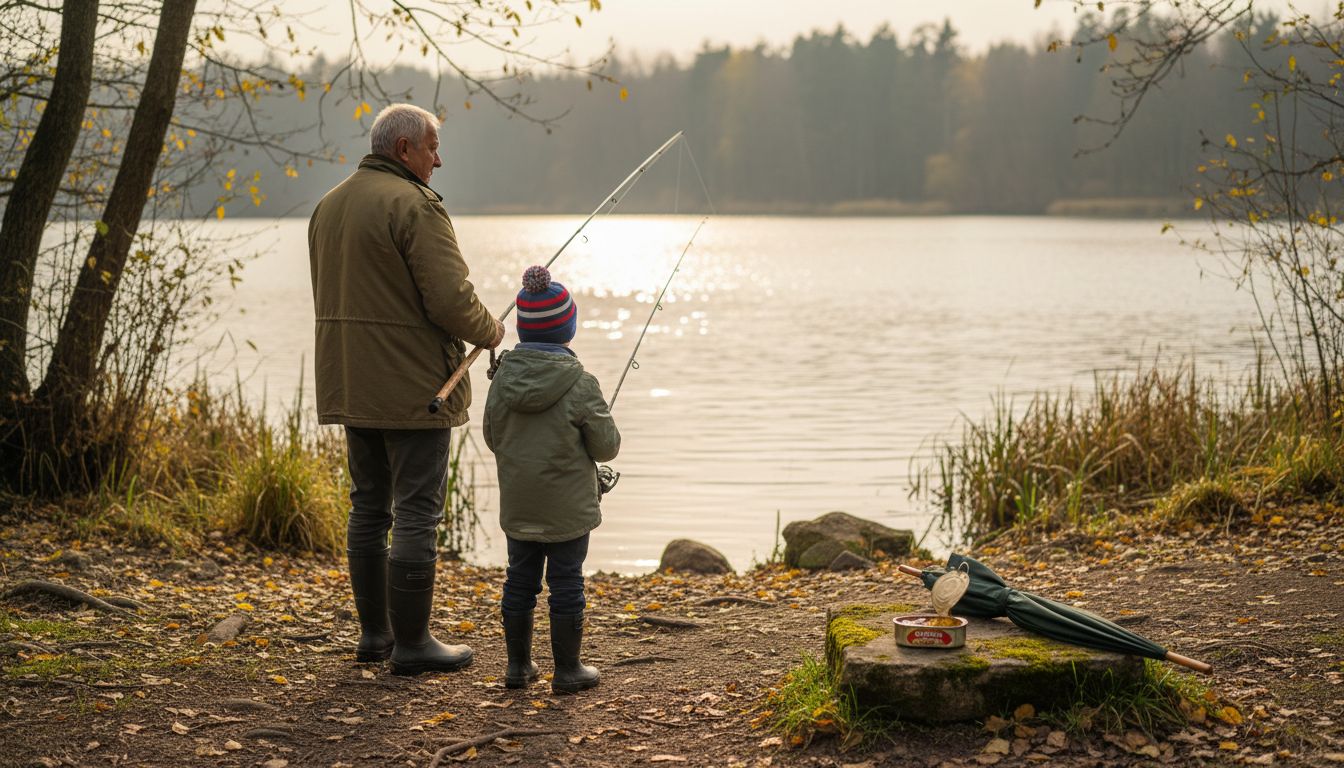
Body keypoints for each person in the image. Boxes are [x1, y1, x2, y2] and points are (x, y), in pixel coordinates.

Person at [308, 103, 505, 676]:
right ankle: (414, 644)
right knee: (417, 510)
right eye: (432, 147)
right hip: (416, 387)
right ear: (404, 150)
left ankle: (376, 636)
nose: (439, 159)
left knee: (368, 507)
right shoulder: (415, 205)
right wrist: (491, 330)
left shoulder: (329, 204)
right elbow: (449, 298)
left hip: (349, 380)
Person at [482, 265, 620, 693]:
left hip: (519, 506)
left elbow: (492, 436)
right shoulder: (581, 382)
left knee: (519, 580)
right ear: (568, 330)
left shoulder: (501, 377)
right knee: (566, 582)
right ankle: (567, 671)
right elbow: (606, 448)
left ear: (523, 329)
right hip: (568, 511)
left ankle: (517, 669)